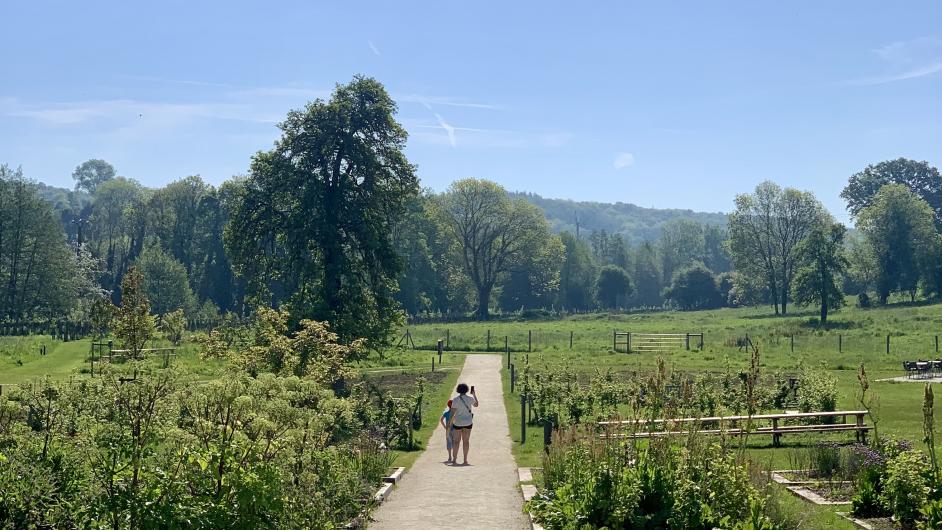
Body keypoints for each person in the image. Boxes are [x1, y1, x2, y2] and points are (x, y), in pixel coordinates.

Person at [446, 383, 478, 465]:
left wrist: (449, 423)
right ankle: (465, 460)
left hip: (458, 423)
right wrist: (474, 395)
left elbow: (452, 413)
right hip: (468, 422)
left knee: (456, 441)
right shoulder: (470, 398)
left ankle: (454, 460)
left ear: (458, 390)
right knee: (466, 441)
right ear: (467, 390)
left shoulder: (455, 400)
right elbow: (476, 405)